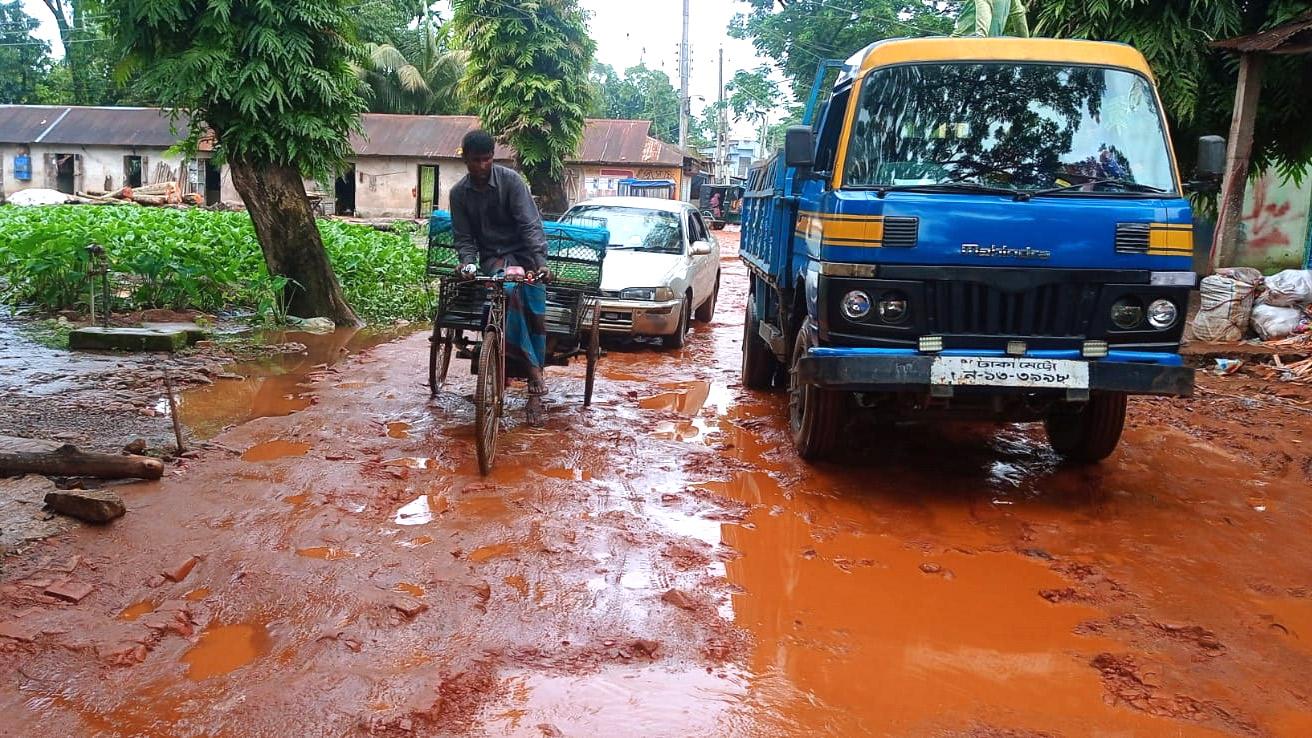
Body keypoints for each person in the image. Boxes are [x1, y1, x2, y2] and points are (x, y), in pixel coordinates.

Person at [449, 129, 551, 426]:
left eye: (486, 159)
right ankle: (518, 365)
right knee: (503, 289)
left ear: (493, 158)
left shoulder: (511, 182)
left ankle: (534, 374)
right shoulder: (458, 194)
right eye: (475, 161)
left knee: (528, 297)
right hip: (492, 259)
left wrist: (541, 263)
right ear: (465, 159)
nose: (481, 166)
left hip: (525, 256)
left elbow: (531, 226)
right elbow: (464, 238)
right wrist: (467, 264)